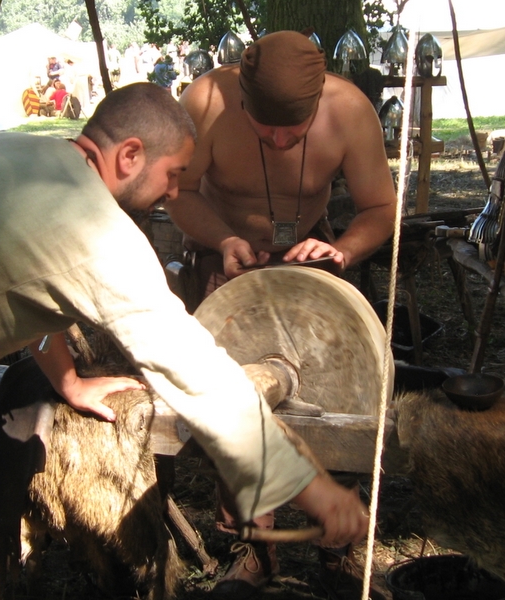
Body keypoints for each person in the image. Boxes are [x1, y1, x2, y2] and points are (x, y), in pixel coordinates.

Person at [0, 82, 368, 600]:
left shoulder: (21, 157)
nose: (175, 191)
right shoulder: (92, 227)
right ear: (129, 156)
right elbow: (194, 370)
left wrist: (67, 380)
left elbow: (21, 282)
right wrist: (313, 490)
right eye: (174, 173)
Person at [168, 30, 398, 598]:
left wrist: (342, 249)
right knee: (229, 401)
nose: (274, 139)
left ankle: (334, 543)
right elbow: (179, 191)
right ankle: (256, 545)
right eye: (262, 125)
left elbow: (380, 206)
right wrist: (222, 239)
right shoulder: (207, 102)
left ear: (318, 101)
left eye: (289, 131)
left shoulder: (349, 111)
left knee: (337, 395)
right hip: (223, 263)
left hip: (309, 267)